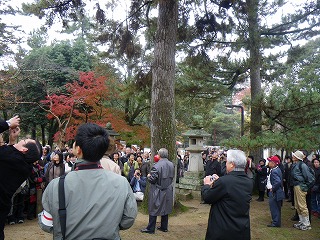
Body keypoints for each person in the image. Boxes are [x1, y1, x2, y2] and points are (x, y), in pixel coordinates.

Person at [38, 123, 137, 240]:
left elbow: (47, 223)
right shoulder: (122, 183)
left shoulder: (57, 185)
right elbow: (128, 219)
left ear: (78, 150)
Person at [0, 124, 42, 240]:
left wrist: (7, 124)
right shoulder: (24, 166)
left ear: (24, 150)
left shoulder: (12, 159)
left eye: (22, 140)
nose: (20, 139)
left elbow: (6, 153)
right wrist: (12, 140)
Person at [202, 149, 253, 240]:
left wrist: (206, 185)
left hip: (223, 229)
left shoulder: (225, 182)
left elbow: (207, 197)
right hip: (241, 228)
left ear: (232, 164)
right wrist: (218, 182)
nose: (225, 164)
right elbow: (231, 193)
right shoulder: (248, 182)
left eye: (227, 162)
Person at [141, 148, 174, 234]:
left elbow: (153, 180)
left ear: (159, 155)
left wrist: (148, 176)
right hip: (168, 189)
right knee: (165, 207)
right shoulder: (171, 164)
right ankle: (164, 226)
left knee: (153, 208)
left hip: (157, 189)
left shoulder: (156, 166)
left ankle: (150, 228)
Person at [291, 150, 312, 230]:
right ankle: (302, 221)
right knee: (297, 205)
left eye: (294, 156)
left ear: (297, 157)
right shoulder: (296, 164)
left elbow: (309, 178)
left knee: (302, 205)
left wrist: (305, 187)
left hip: (300, 186)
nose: (293, 156)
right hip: (296, 186)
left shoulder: (302, 165)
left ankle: (307, 224)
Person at [266, 155, 285, 227]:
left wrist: (272, 188)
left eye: (270, 161)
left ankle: (276, 223)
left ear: (274, 163)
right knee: (277, 207)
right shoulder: (277, 169)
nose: (268, 163)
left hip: (275, 192)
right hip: (277, 192)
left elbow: (278, 182)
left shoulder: (274, 171)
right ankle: (276, 221)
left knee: (274, 207)